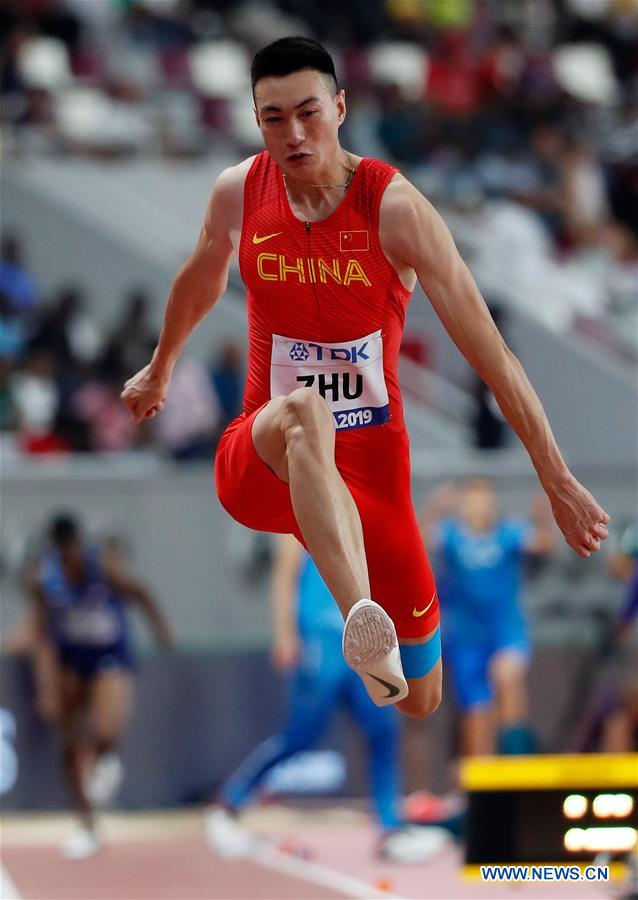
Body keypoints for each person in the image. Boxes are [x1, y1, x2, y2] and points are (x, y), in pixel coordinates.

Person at [121, 36, 610, 718]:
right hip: (264, 459)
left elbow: (492, 355)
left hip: (372, 474)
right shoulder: (239, 192)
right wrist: (161, 364)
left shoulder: (398, 211)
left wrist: (555, 478)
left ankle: (379, 637)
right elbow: (203, 276)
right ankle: (362, 621)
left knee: (421, 699)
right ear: (256, 120)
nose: (292, 135)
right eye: (272, 118)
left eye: (308, 113)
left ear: (341, 108)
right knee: (305, 412)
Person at [206, 534, 449, 862]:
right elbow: (283, 575)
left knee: (383, 729)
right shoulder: (300, 507)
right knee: (301, 735)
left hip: (364, 641)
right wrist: (285, 635)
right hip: (321, 640)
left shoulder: (363, 512)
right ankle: (231, 801)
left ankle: (390, 827)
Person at [26, 514, 173, 860]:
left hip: (109, 654)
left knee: (105, 729)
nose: (69, 561)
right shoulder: (43, 579)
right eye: (62, 555)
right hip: (71, 658)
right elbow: (41, 633)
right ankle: (87, 824)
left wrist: (161, 629)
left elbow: (141, 593)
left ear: (80, 545)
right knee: (68, 743)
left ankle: (105, 757)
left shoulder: (102, 566)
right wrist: (46, 686)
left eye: (72, 552)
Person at [420, 480, 555, 756]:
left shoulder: (508, 535)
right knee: (476, 713)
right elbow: (418, 540)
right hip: (466, 638)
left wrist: (544, 515)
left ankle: (515, 755)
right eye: (470, 501)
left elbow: (543, 544)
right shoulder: (452, 536)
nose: (477, 508)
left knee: (506, 676)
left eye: (482, 501)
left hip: (505, 631)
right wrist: (435, 508)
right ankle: (483, 784)